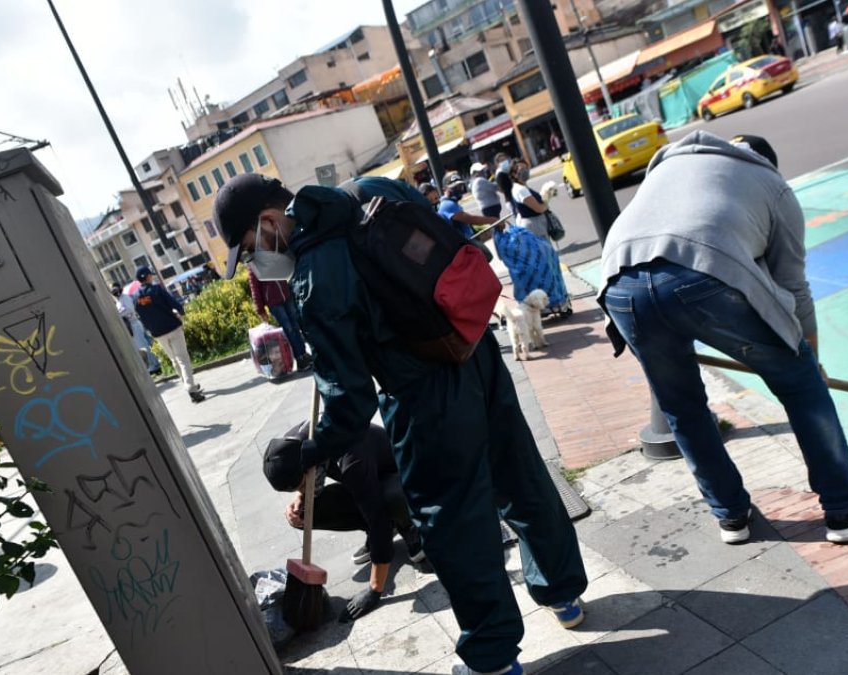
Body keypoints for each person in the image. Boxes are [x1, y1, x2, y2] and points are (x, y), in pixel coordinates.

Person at [214, 174, 586, 675]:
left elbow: (349, 401)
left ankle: (493, 659)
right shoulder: (370, 189)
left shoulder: (315, 273)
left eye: (248, 250)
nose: (254, 263)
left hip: (421, 396)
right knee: (520, 474)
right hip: (474, 349)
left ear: (268, 221)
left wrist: (311, 452)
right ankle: (563, 594)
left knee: (454, 524)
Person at [597, 131, 848, 546]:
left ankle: (730, 515)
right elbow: (793, 288)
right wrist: (809, 360)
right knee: (801, 386)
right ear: (768, 162)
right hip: (702, 269)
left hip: (619, 284)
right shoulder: (772, 184)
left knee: (682, 407)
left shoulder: (672, 165)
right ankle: (846, 507)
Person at [263, 422, 424, 622]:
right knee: (304, 513)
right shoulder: (295, 445)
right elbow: (303, 481)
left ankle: (409, 525)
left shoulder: (350, 457)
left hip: (403, 478)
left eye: (303, 485)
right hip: (366, 480)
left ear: (309, 465)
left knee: (390, 500)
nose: (303, 491)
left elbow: (378, 520)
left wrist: (374, 590)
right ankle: (380, 530)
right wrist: (299, 500)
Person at [495, 160, 572, 316]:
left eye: (526, 167)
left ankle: (551, 302)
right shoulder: (520, 190)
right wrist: (547, 200)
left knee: (546, 266)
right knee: (544, 267)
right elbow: (538, 208)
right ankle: (549, 303)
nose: (525, 170)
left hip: (536, 226)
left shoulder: (521, 188)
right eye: (521, 169)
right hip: (533, 228)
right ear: (514, 173)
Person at [132, 266, 205, 403]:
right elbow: (174, 303)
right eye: (150, 275)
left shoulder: (135, 297)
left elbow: (140, 316)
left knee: (174, 360)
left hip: (158, 334)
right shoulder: (157, 289)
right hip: (172, 328)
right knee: (182, 358)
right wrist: (181, 312)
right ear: (148, 276)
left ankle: (188, 384)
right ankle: (191, 388)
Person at [248, 267, 313, 371]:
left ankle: (304, 354)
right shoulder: (253, 264)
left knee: (295, 327)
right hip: (274, 302)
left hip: (286, 295)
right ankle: (299, 358)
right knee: (289, 330)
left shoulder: (270, 257)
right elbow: (254, 287)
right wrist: (260, 309)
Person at [110, 282, 161, 376]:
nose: (115, 293)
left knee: (143, 346)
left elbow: (129, 309)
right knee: (144, 345)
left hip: (134, 323)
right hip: (131, 325)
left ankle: (154, 365)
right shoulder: (119, 301)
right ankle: (154, 364)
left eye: (116, 291)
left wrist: (118, 313)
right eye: (113, 292)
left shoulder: (125, 298)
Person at [438, 172, 496, 239]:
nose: (458, 189)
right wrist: (493, 220)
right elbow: (471, 219)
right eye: (454, 187)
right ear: (445, 189)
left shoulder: (452, 202)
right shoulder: (447, 204)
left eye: (459, 186)